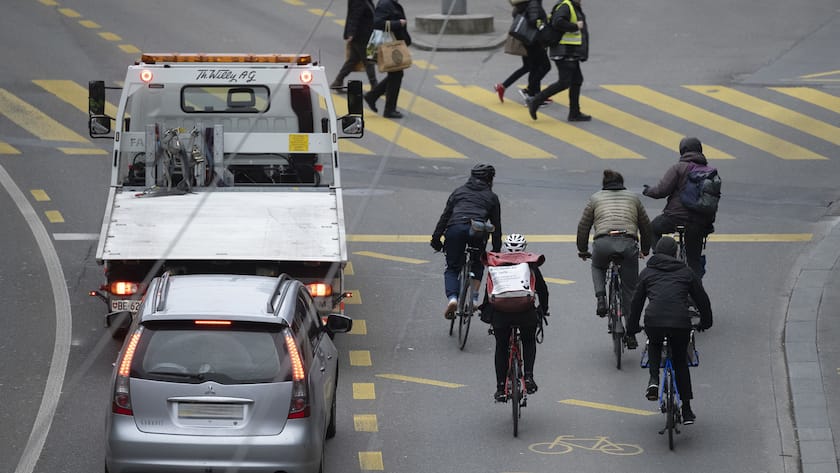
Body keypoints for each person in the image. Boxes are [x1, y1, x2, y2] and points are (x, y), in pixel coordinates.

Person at [626, 236, 713, 425]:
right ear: (675, 254)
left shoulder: (647, 273)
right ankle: (687, 410)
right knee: (680, 361)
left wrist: (631, 328)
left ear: (657, 252)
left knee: (654, 344)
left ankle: (654, 380)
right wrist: (706, 322)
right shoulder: (687, 272)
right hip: (680, 322)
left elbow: (636, 303)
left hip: (654, 320)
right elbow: (702, 300)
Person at [576, 169, 652, 348]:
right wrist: (645, 249)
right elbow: (646, 226)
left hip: (603, 243)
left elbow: (583, 227)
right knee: (630, 290)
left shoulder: (595, 198)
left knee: (597, 266)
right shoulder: (633, 198)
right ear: (621, 183)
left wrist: (583, 250)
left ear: (604, 184)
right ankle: (631, 334)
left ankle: (601, 298)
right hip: (628, 243)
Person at [482, 234, 549, 402]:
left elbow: (489, 291)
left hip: (501, 314)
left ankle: (500, 388)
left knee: (501, 346)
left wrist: (487, 313)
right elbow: (542, 290)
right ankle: (529, 376)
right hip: (525, 312)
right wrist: (543, 309)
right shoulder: (530, 264)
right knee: (528, 340)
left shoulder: (496, 263)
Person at [431, 163, 502, 320]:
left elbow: (445, 217)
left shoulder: (458, 192)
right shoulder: (492, 197)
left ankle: (453, 299)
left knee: (452, 268)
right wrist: (496, 250)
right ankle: (474, 299)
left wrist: (436, 239)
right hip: (477, 231)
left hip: (455, 229)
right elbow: (496, 226)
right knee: (478, 263)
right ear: (490, 179)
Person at [642, 137, 714, 278]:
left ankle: (661, 260)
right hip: (698, 222)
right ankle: (695, 288)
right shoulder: (710, 172)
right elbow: (712, 201)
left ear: (683, 150)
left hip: (675, 218)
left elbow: (661, 191)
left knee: (652, 228)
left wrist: (648, 191)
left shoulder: (678, 168)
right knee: (694, 261)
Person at [527, 0, 591, 122]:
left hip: (570, 52)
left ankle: (574, 113)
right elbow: (558, 22)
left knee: (577, 80)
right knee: (564, 82)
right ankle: (535, 101)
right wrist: (575, 26)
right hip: (564, 52)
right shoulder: (566, 6)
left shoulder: (572, 6)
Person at [493, 0, 552, 106]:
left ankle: (534, 93)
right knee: (543, 66)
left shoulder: (524, 4)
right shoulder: (534, 3)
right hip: (533, 40)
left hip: (526, 39)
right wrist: (544, 26)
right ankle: (530, 92)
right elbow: (533, 21)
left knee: (532, 67)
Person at [363, 0, 411, 119]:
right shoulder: (385, 4)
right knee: (396, 74)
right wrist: (398, 23)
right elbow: (377, 23)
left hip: (394, 45)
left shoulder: (390, 3)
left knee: (396, 75)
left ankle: (373, 96)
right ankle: (388, 109)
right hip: (390, 46)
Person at [330, 0, 379, 91]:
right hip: (361, 36)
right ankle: (375, 86)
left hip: (363, 35)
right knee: (369, 60)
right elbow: (354, 16)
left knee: (352, 60)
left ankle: (338, 81)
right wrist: (351, 33)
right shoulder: (359, 1)